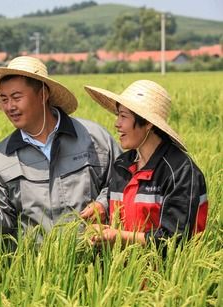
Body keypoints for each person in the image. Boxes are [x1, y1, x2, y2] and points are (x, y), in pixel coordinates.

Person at [0, 56, 121, 236]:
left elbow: (124, 183)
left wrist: (103, 203)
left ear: (43, 94)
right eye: (4, 99)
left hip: (96, 259)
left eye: (16, 97)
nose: (9, 107)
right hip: (36, 262)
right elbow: (4, 232)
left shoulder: (94, 138)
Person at [84, 80, 208, 247]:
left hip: (167, 272)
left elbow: (174, 240)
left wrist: (118, 237)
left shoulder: (179, 172)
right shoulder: (121, 165)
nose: (117, 124)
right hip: (123, 272)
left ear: (148, 123)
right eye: (117, 116)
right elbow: (118, 218)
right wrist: (101, 223)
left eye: (123, 116)